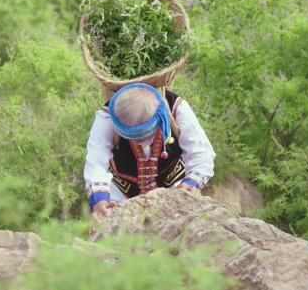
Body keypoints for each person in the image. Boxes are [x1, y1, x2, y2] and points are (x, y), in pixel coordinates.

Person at [84, 82, 215, 219]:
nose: (139, 142)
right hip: (121, 194)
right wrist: (99, 200)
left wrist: (190, 184)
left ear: (160, 119)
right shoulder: (108, 115)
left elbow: (201, 154)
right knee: (109, 223)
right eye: (131, 137)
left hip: (174, 187)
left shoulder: (176, 108)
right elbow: (96, 161)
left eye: (144, 136)